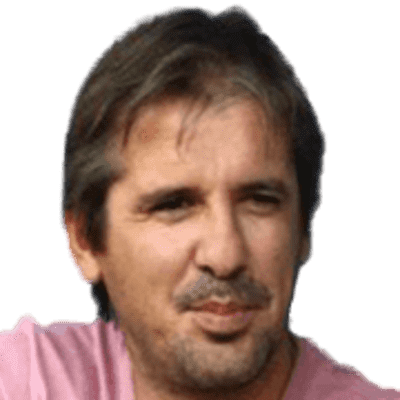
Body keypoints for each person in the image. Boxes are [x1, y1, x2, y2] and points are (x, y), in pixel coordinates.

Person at [0, 4, 398, 400]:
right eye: (174, 205)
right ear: (85, 241)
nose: (225, 256)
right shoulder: (29, 380)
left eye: (260, 201)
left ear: (302, 231)